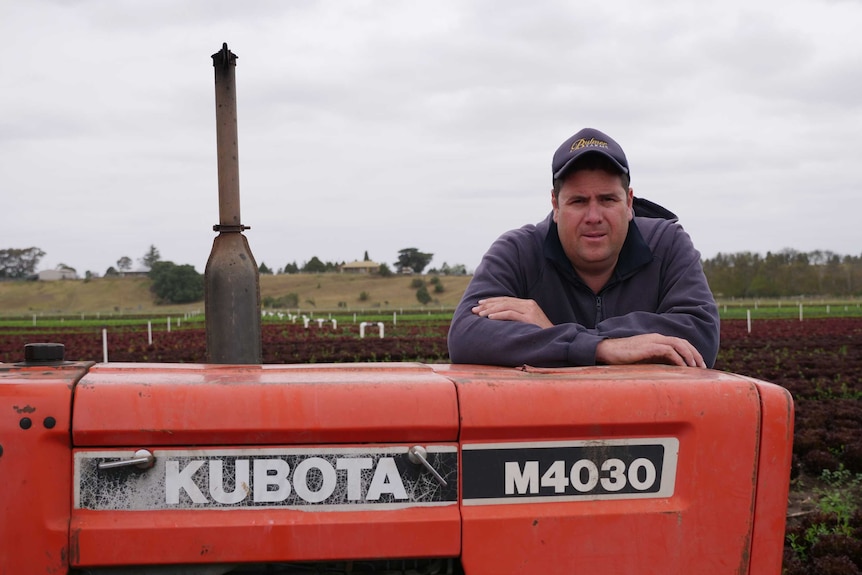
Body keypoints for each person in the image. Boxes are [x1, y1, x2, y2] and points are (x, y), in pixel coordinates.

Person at [447, 127, 720, 368]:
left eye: (607, 200)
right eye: (578, 201)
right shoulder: (518, 252)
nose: (593, 216)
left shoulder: (668, 243)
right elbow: (466, 335)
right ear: (555, 205)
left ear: (628, 202)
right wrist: (602, 347)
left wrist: (554, 334)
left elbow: (700, 333)